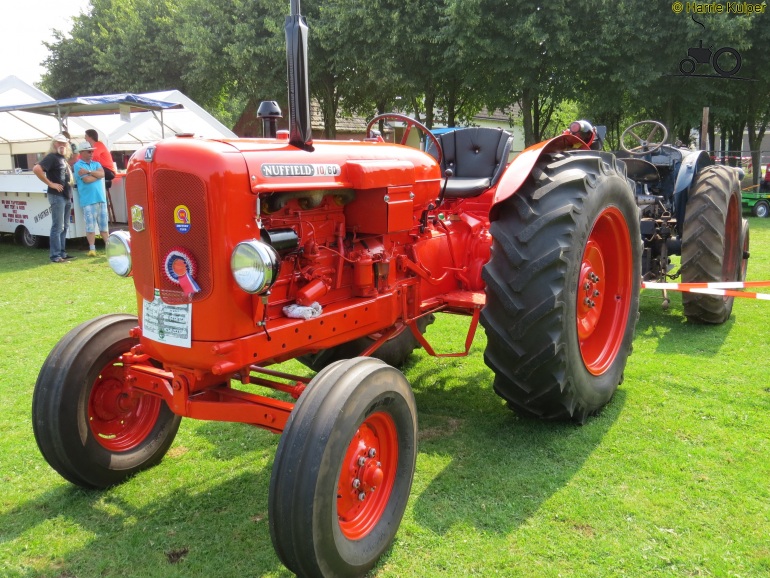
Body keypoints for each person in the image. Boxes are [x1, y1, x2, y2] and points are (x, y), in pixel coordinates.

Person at [33, 134, 75, 263]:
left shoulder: (62, 158)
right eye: (58, 143)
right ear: (54, 144)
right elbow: (37, 169)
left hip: (65, 195)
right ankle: (55, 256)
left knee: (64, 226)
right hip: (57, 196)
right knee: (58, 227)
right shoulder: (52, 157)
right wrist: (51, 184)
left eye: (64, 143)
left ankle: (61, 253)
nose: (61, 145)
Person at [73, 143, 108, 256]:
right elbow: (87, 180)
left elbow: (102, 174)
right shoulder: (78, 165)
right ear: (81, 152)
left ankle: (109, 247)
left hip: (100, 199)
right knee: (90, 226)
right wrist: (97, 175)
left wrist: (88, 172)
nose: (91, 153)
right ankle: (92, 249)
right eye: (89, 151)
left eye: (92, 151)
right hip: (88, 200)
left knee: (104, 226)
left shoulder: (96, 163)